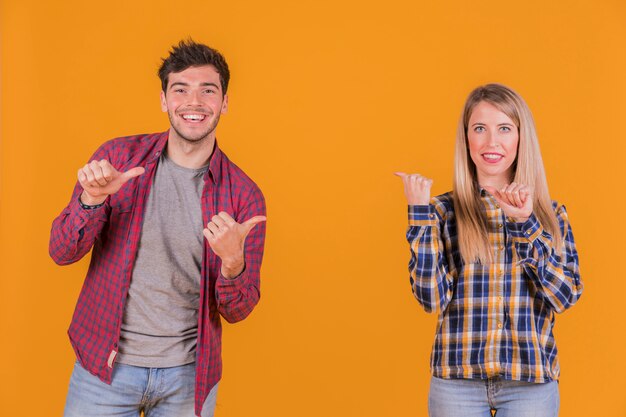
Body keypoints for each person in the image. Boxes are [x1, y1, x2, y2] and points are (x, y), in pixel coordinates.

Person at [50, 39, 267, 417]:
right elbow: (61, 251)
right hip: (104, 371)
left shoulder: (244, 196)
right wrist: (91, 202)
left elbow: (238, 311)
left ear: (225, 103)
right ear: (165, 100)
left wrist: (234, 264)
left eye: (208, 91)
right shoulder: (118, 159)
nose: (194, 102)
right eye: (180, 89)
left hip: (188, 379)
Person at [395, 83, 582, 417]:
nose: (491, 142)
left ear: (521, 138)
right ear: (466, 139)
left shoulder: (550, 215)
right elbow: (430, 300)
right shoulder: (442, 212)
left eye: (504, 129)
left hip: (530, 383)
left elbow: (564, 297)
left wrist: (527, 224)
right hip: (457, 381)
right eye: (479, 128)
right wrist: (420, 217)